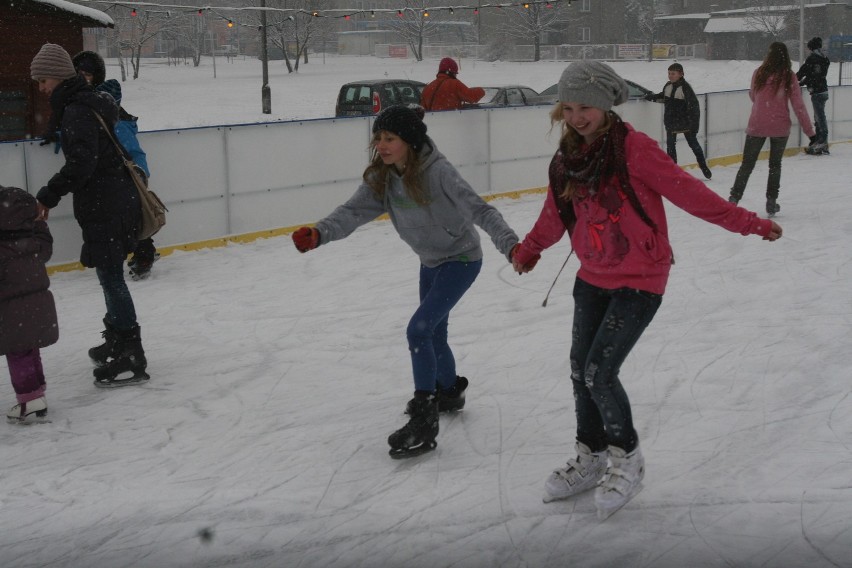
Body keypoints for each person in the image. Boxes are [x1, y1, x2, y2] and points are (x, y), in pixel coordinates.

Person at [510, 61, 783, 520]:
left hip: (640, 280)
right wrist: (530, 249)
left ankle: (627, 458)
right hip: (592, 277)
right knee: (580, 369)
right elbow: (554, 215)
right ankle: (591, 454)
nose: (578, 117)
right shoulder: (566, 160)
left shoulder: (635, 150)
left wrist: (750, 224)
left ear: (606, 104)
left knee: (600, 371)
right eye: (570, 108)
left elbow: (692, 195)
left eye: (587, 107)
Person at [291, 105, 519, 459]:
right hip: (430, 261)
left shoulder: (440, 172)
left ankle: (425, 418)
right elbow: (351, 212)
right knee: (434, 333)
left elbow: (481, 210)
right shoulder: (383, 177)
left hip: (461, 259)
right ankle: (448, 391)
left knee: (419, 330)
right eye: (378, 138)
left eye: (390, 139)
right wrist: (319, 233)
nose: (381, 145)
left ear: (409, 142)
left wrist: (511, 245)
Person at [30, 43, 149, 388]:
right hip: (112, 199)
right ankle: (117, 337)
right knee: (109, 275)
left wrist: (48, 195)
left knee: (112, 277)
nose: (41, 87)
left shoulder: (77, 110)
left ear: (57, 75)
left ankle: (130, 353)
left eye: (43, 80)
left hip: (106, 204)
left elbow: (82, 163)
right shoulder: (85, 102)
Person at [72, 50, 159, 280]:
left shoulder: (114, 118)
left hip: (126, 175)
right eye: (79, 73)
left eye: (87, 74)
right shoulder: (83, 106)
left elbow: (133, 150)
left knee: (136, 217)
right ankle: (138, 253)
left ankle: (144, 254)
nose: (82, 78)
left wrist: (139, 173)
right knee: (125, 220)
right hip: (108, 177)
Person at [729, 42, 815, 217]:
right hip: (779, 127)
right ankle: (771, 201)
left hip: (757, 124)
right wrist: (810, 132)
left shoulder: (759, 73)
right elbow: (798, 105)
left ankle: (734, 198)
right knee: (775, 166)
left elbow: (753, 96)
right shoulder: (788, 76)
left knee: (747, 165)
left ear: (768, 56)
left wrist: (763, 106)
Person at [1, 185, 59, 422]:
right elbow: (45, 245)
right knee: (30, 347)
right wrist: (38, 224)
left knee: (18, 352)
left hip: (10, 311)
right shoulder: (35, 242)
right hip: (36, 304)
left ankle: (29, 399)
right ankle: (38, 391)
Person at [644, 62, 712, 179]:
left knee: (693, 144)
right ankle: (673, 171)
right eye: (669, 73)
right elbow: (664, 98)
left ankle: (703, 166)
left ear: (681, 74)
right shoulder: (668, 86)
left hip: (685, 123)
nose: (670, 76)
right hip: (671, 122)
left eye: (673, 74)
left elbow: (694, 108)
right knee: (670, 147)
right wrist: (651, 97)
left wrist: (694, 126)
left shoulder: (686, 89)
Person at [796, 37, 831, 155]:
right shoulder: (824, 59)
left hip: (817, 92)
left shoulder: (812, 59)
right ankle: (820, 142)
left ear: (811, 48)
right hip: (824, 91)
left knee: (820, 118)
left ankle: (821, 142)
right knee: (818, 117)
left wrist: (798, 81)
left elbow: (805, 73)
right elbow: (817, 75)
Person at [420, 57, 485, 111]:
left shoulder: (428, 88)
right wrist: (481, 91)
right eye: (456, 73)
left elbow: (423, 110)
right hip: (451, 122)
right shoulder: (454, 84)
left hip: (433, 124)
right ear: (452, 73)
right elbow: (471, 97)